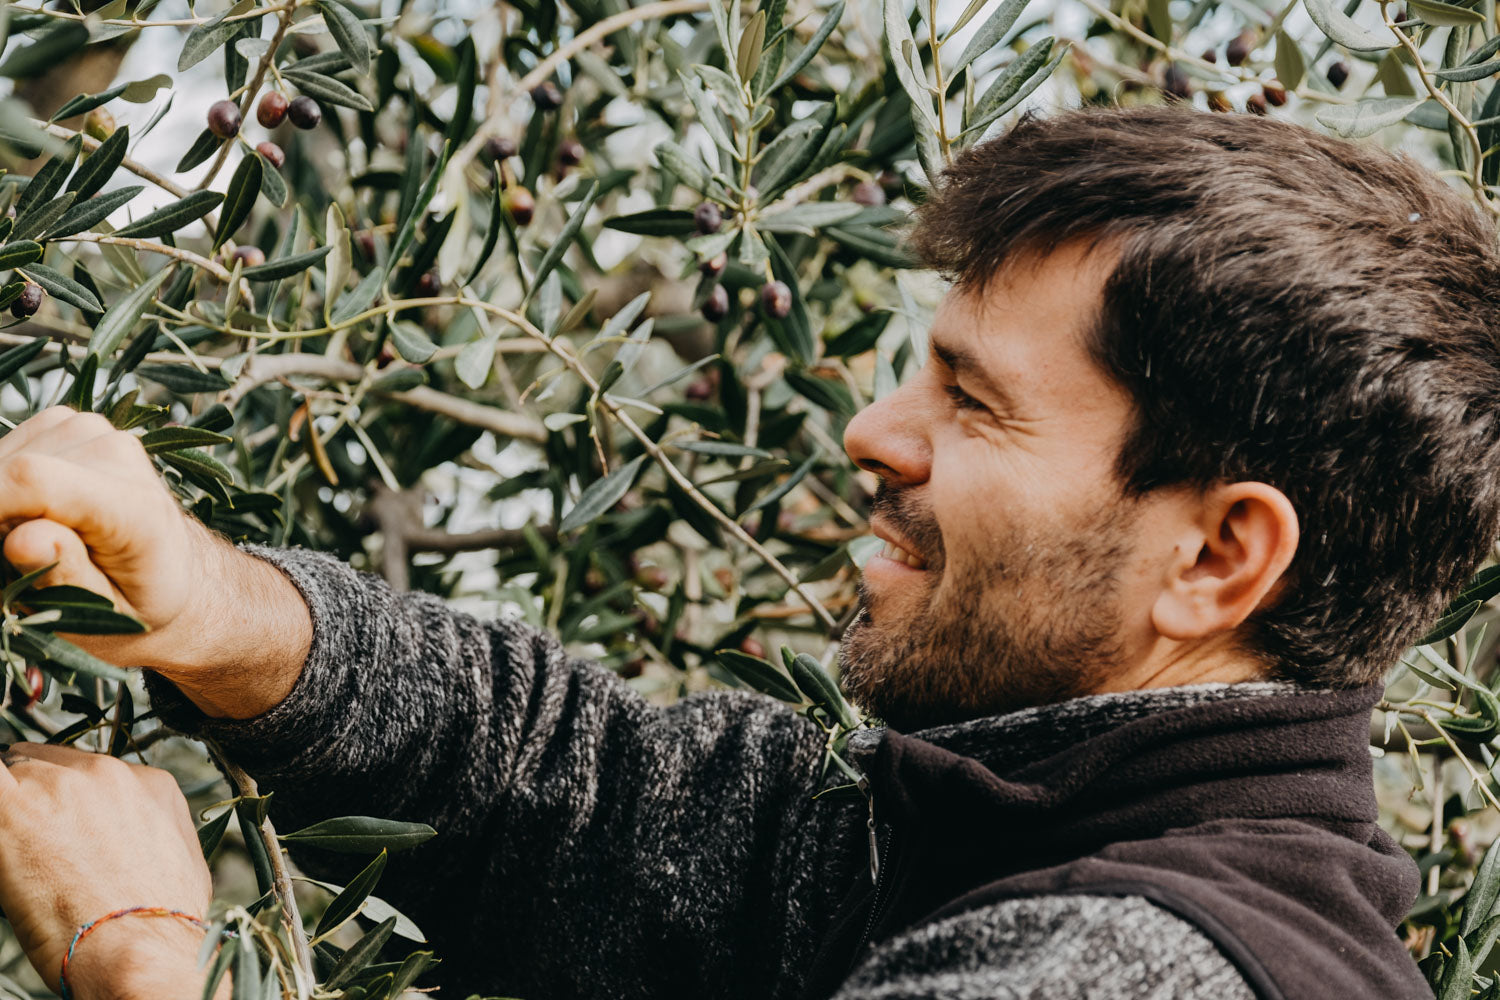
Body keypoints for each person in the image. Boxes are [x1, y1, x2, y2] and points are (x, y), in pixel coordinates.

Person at [0, 105, 1489, 1000]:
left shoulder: (1119, 971)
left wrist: (142, 960)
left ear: (1219, 557)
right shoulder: (999, 839)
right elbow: (555, 788)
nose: (873, 431)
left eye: (973, 403)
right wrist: (202, 599)